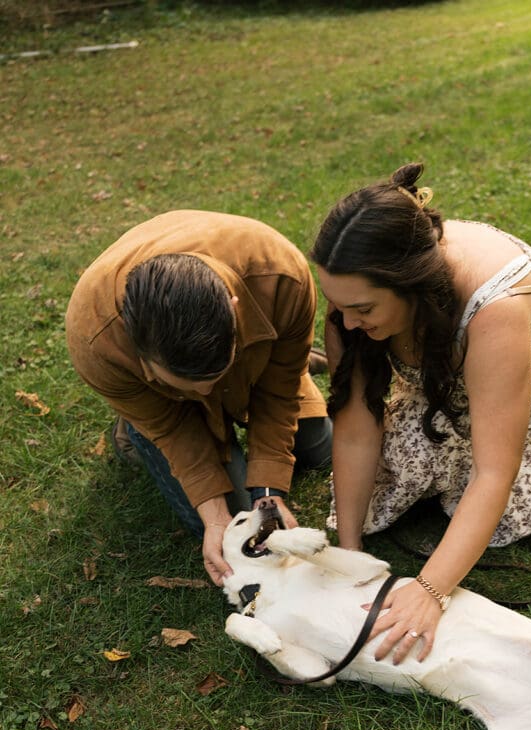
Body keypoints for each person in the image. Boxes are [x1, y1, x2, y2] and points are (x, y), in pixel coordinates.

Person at [310, 163, 531, 664]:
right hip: (455, 379)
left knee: (497, 508)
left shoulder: (493, 303)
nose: (345, 322)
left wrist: (430, 589)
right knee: (399, 471)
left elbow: (496, 470)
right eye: (336, 305)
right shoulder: (353, 300)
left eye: (362, 309)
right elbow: (354, 432)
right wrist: (351, 551)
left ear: (410, 285)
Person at [67, 210, 332, 585]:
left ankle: (291, 359)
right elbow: (172, 427)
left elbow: (277, 390)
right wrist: (214, 515)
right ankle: (131, 428)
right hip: (167, 411)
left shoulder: (282, 276)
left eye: (213, 376)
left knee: (320, 448)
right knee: (235, 526)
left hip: (255, 370)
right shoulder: (95, 341)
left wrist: (268, 495)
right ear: (137, 350)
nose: (205, 392)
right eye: (188, 384)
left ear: (234, 309)